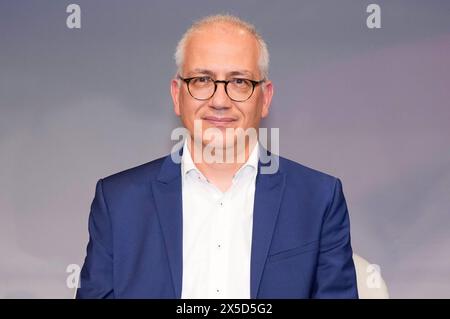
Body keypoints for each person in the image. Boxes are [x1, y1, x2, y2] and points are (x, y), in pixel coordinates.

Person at [76, 14, 358, 299]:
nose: (220, 101)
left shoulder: (319, 199)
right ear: (177, 95)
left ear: (266, 98)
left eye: (239, 81)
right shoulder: (118, 202)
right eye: (202, 80)